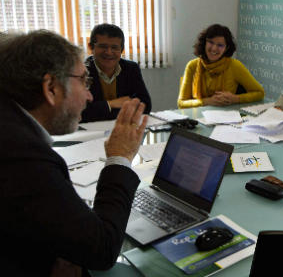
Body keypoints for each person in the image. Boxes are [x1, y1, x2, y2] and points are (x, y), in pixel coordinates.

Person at [0, 30, 147, 275]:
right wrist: (119, 157)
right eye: (84, 81)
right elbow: (102, 250)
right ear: (51, 88)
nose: (89, 96)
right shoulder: (24, 158)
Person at [178, 23, 264, 108]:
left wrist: (236, 99)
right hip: (198, 117)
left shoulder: (234, 66)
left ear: (226, 48)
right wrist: (208, 101)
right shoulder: (192, 66)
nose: (214, 48)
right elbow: (181, 103)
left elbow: (260, 93)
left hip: (227, 117)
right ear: (204, 43)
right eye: (211, 42)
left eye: (220, 45)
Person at [81, 23, 152, 122]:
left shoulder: (131, 68)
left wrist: (101, 108)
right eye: (103, 46)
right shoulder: (81, 71)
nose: (109, 52)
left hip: (125, 126)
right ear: (91, 47)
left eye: (114, 47)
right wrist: (112, 104)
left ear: (121, 50)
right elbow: (81, 113)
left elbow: (145, 105)